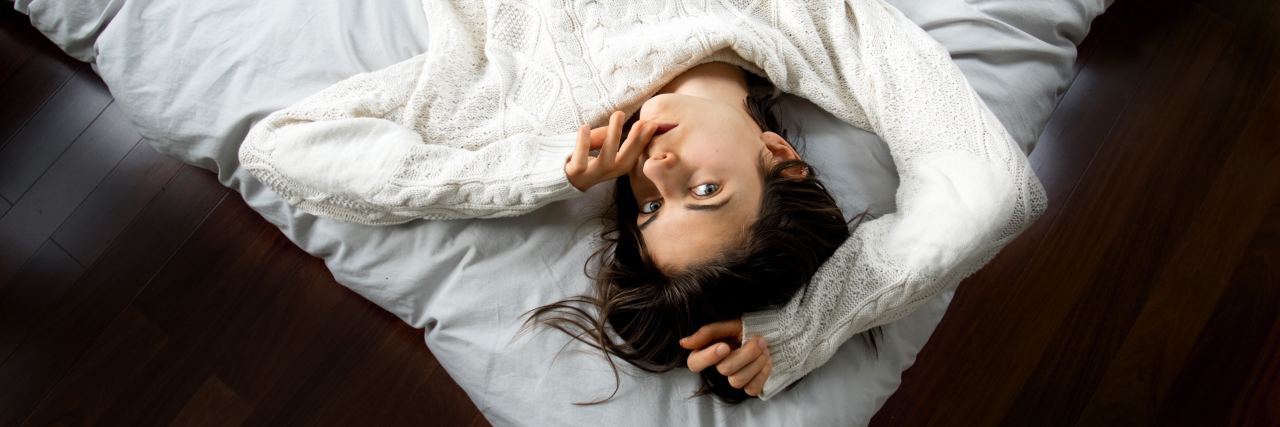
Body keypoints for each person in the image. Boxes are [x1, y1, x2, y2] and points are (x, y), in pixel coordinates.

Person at [239, 0, 1047, 405]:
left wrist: (544, 173)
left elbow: (281, 148)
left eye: (652, 208)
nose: (655, 168)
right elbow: (986, 186)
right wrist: (815, 318)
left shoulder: (528, 106)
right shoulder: (810, 25)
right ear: (782, 156)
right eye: (703, 188)